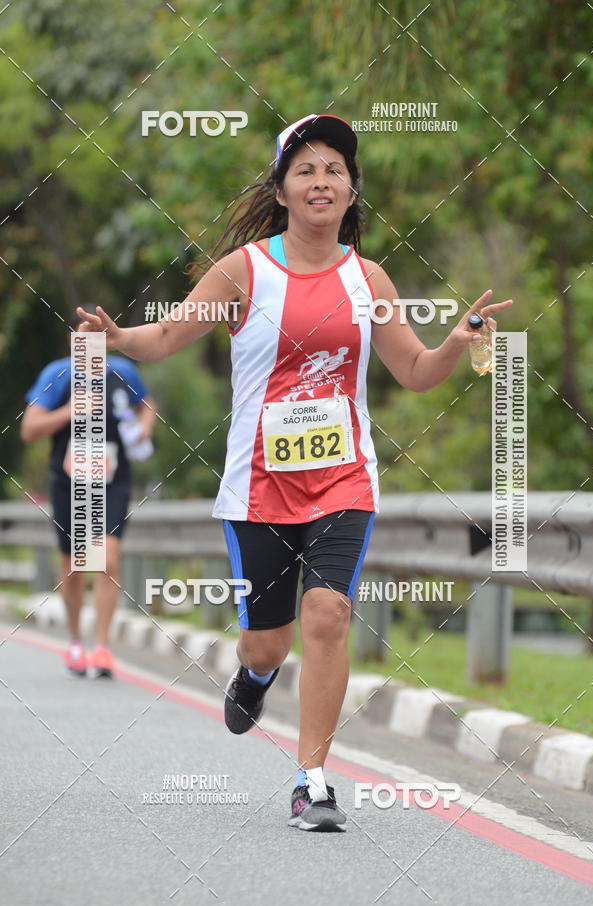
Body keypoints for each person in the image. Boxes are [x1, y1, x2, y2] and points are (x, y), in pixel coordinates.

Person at [72, 113, 513, 830]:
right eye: (305, 169)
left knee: (329, 615)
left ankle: (313, 780)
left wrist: (457, 345)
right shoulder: (243, 271)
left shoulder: (369, 277)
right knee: (267, 640)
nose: (321, 181)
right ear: (280, 189)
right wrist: (119, 338)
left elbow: (414, 371)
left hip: (344, 480)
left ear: (350, 189)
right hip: (259, 485)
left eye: (334, 169)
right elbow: (168, 335)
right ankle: (256, 674)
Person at [20, 305, 157, 678]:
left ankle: (102, 648)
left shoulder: (124, 373)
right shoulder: (58, 375)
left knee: (108, 558)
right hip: (69, 481)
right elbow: (30, 429)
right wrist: (70, 411)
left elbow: (147, 406)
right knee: (75, 564)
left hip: (113, 479)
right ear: (73, 341)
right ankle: (76, 640)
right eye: (84, 338)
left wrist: (144, 427)